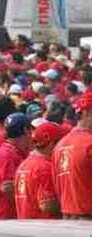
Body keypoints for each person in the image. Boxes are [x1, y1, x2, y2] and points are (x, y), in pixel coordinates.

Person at [0, 113, 32, 220]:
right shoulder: (8, 154)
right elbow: (6, 187)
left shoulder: (12, 151)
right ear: (25, 130)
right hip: (5, 217)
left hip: (5, 216)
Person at [52, 91, 92, 219]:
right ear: (87, 113)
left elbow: (57, 187)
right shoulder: (89, 143)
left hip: (67, 220)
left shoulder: (59, 145)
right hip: (87, 220)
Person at [15, 121, 63, 219]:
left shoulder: (24, 164)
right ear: (52, 144)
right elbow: (47, 204)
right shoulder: (45, 167)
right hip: (44, 228)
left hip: (26, 226)